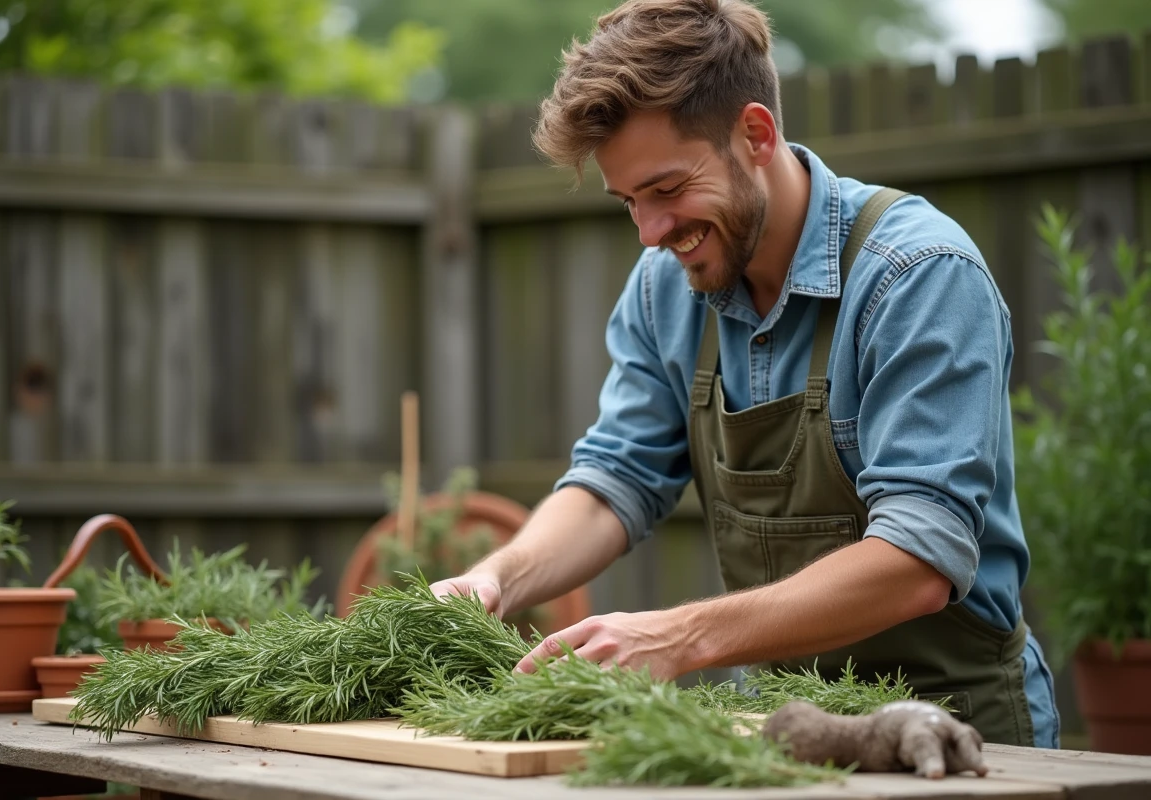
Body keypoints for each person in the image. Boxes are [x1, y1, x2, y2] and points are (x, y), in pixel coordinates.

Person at [429, 0, 1059, 748]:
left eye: (666, 190)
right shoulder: (665, 288)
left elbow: (921, 557)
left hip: (958, 734)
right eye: (629, 201)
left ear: (755, 134)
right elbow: (615, 480)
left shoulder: (917, 278)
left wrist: (683, 635)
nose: (651, 232)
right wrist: (499, 577)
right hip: (788, 730)